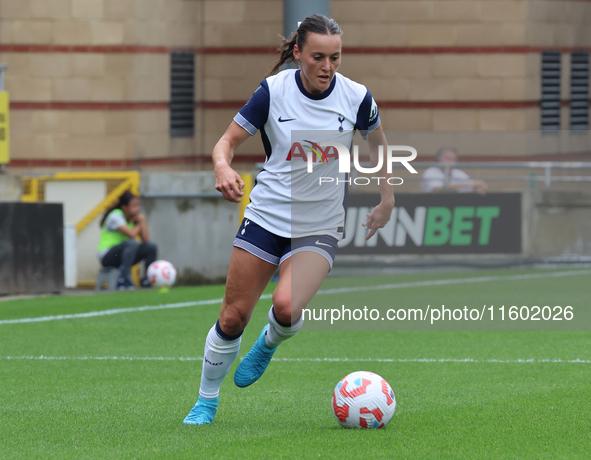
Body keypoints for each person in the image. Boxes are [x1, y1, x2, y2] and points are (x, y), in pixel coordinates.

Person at [182, 14, 395, 425]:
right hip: (266, 216)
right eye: (318, 57)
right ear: (298, 53)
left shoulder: (356, 97)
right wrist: (222, 168)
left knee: (285, 305)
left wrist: (387, 199)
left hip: (319, 226)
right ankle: (206, 400)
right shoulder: (272, 92)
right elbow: (225, 142)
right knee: (232, 316)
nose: (327, 67)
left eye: (335, 58)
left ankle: (268, 342)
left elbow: (380, 146)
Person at [97, 191, 157, 290]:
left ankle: (147, 280)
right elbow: (132, 234)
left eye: (138, 205)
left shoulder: (134, 218)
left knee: (151, 247)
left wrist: (142, 221)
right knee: (132, 243)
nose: (138, 209)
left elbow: (146, 240)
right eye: (134, 206)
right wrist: (140, 223)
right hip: (108, 256)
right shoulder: (115, 216)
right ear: (124, 207)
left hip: (125, 255)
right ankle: (122, 280)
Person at [420, 147, 488, 195]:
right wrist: (472, 184)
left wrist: (479, 186)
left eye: (453, 160)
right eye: (448, 159)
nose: (451, 163)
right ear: (439, 159)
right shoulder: (430, 172)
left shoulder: (458, 173)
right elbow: (437, 189)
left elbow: (474, 185)